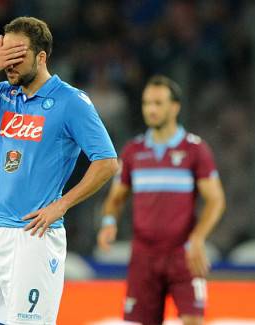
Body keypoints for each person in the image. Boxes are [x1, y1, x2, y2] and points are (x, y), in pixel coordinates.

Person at [0, 17, 118, 325]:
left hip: (33, 235)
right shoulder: (2, 94)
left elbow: (107, 162)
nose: (8, 64)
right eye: (4, 55)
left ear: (41, 56)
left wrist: (60, 206)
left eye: (16, 56)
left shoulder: (71, 102)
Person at [97, 75, 226, 325]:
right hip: (143, 257)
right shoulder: (133, 152)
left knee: (193, 321)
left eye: (158, 103)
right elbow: (116, 198)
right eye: (147, 104)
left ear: (175, 107)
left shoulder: (195, 150)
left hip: (184, 255)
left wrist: (198, 238)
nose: (151, 110)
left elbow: (216, 200)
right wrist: (109, 222)